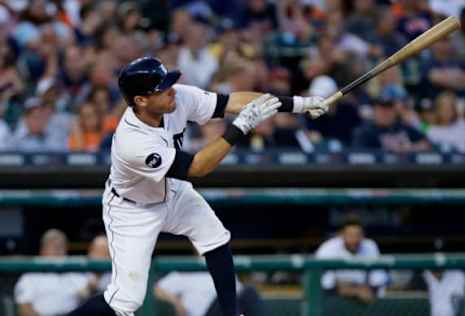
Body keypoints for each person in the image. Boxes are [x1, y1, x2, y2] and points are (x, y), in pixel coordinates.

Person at [66, 56, 328, 316]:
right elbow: (198, 168)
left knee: (215, 237)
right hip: (133, 208)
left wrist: (299, 104)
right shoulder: (132, 142)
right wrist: (240, 128)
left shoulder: (176, 98)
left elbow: (232, 101)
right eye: (161, 88)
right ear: (141, 100)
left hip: (172, 190)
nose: (171, 90)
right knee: (126, 300)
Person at [14, 229, 90, 316]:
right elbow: (24, 308)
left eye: (61, 247)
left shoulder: (73, 270)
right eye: (53, 246)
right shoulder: (31, 275)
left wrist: (90, 287)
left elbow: (87, 293)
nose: (58, 250)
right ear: (43, 250)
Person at [314, 216, 388, 304]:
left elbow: (379, 277)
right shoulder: (328, 248)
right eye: (350, 235)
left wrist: (368, 289)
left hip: (365, 297)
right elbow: (323, 282)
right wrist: (353, 290)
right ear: (341, 235)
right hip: (333, 299)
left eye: (358, 235)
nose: (355, 239)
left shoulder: (370, 246)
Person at [155, 271, 265, 316]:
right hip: (207, 313)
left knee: (249, 292)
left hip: (230, 308)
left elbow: (242, 295)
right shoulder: (182, 274)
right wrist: (176, 302)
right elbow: (157, 289)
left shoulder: (225, 272)